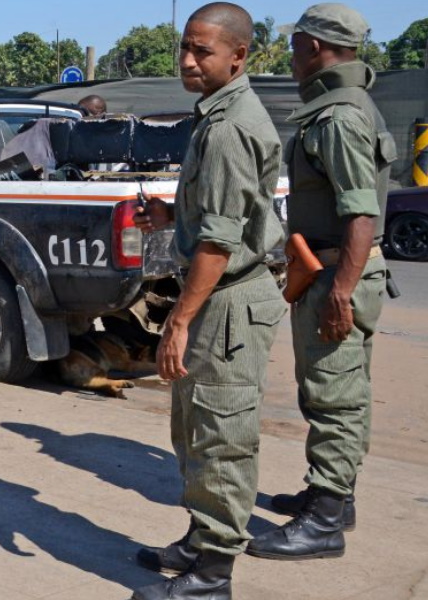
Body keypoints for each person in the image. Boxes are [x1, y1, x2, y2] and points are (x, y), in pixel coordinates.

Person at [130, 4, 285, 598]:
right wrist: (173, 216)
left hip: (227, 303)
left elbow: (221, 243)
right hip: (220, 298)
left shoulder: (229, 127)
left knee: (221, 438)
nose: (189, 61)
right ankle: (200, 541)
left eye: (204, 51)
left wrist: (179, 320)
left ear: (238, 56)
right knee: (194, 431)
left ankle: (213, 573)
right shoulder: (216, 115)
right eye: (185, 49)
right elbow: (224, 215)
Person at [246, 3, 395, 561]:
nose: (289, 55)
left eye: (295, 45)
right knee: (337, 389)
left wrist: (340, 290)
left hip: (338, 271)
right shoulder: (343, 106)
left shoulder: (338, 117)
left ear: (315, 48)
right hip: (333, 267)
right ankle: (332, 496)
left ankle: (326, 520)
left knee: (334, 396)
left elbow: (360, 213)